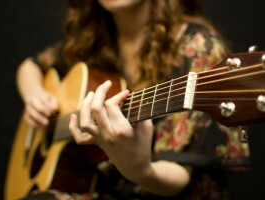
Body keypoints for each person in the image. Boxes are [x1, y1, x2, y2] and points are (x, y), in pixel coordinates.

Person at [16, 0, 251, 199]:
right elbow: (31, 66)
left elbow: (181, 177)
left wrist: (140, 169)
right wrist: (35, 96)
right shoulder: (94, 40)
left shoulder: (199, 47)